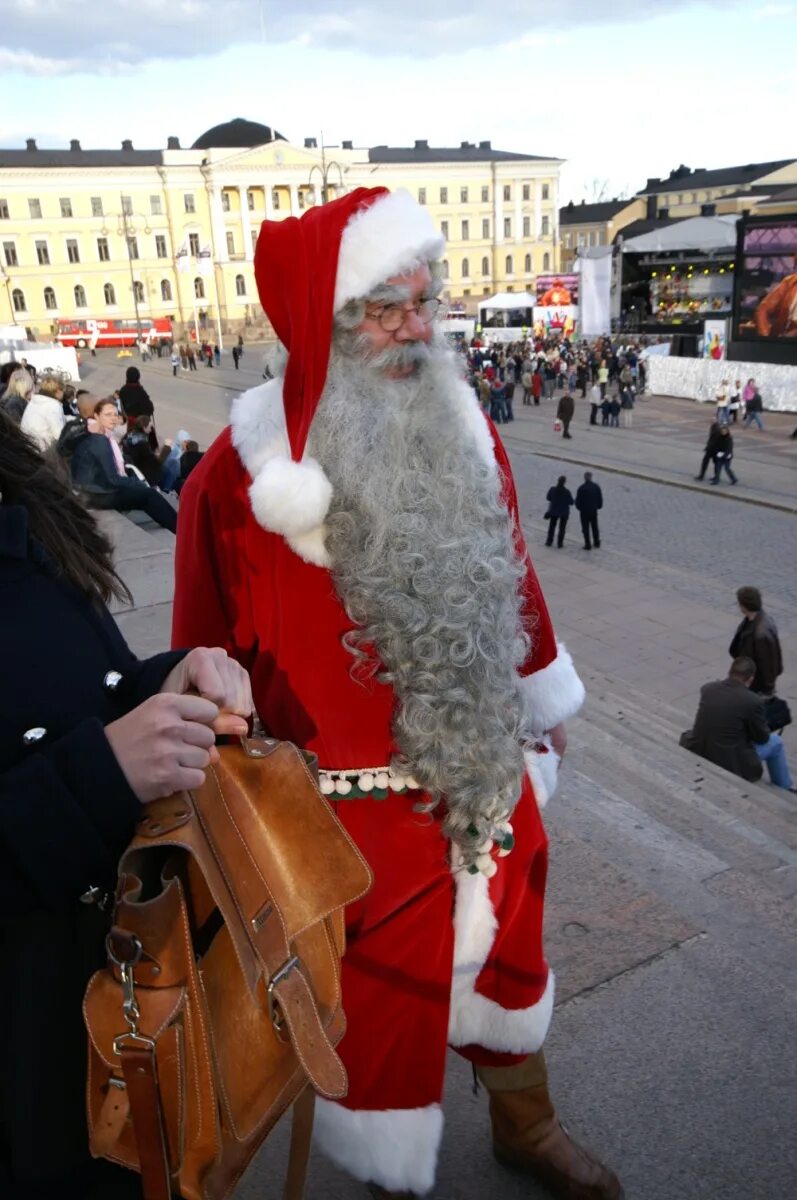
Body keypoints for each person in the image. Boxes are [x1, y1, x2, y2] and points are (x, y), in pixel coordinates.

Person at [172, 187, 620, 1200]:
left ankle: (524, 1124)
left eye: (425, 299)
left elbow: (515, 580)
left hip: (485, 782)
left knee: (509, 962)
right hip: (347, 824)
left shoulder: (470, 432)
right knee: (379, 1014)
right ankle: (390, 1173)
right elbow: (197, 653)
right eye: (385, 307)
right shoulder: (232, 490)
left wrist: (542, 715)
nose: (417, 327)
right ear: (320, 328)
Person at [0, 408, 253, 1199]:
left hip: (124, 995)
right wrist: (98, 775)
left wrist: (166, 682)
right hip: (26, 1058)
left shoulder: (20, 485)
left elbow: (74, 686)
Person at [680, 658, 794, 791]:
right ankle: (784, 786)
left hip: (700, 748)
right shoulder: (753, 702)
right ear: (750, 679)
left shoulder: (708, 688)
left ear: (730, 672)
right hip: (730, 761)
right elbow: (762, 738)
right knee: (776, 742)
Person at [69, 400, 179, 533]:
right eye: (108, 414)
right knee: (149, 495)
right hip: (96, 494)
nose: (113, 418)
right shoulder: (99, 440)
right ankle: (180, 529)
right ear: (96, 416)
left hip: (89, 490)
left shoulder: (89, 432)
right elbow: (113, 479)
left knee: (147, 494)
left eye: (115, 414)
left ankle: (176, 524)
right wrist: (137, 483)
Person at [729, 586, 783, 698]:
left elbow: (768, 665)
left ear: (744, 606)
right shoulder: (751, 620)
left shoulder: (760, 634)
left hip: (757, 686)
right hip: (748, 678)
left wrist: (766, 691)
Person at [124, 415, 178, 491]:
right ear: (144, 427)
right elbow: (158, 462)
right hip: (147, 473)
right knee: (172, 465)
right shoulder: (142, 443)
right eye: (149, 427)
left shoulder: (130, 436)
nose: (151, 429)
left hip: (139, 468)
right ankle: (166, 490)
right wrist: (167, 446)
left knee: (171, 464)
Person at [20, 376, 66, 452]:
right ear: (58, 391)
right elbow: (59, 434)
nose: (63, 394)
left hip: (27, 444)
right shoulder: (53, 405)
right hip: (41, 450)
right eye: (63, 390)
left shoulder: (35, 400)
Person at [575, 471, 603, 550]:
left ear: (584, 478)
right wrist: (599, 506)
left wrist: (579, 508)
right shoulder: (596, 487)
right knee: (595, 526)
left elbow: (578, 501)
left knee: (585, 528)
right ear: (591, 477)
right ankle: (596, 542)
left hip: (584, 511)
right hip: (593, 510)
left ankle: (588, 544)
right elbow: (600, 498)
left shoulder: (581, 488)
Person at [545, 474, 574, 547]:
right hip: (564, 513)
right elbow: (571, 502)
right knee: (562, 528)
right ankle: (560, 543)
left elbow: (548, 498)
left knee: (552, 527)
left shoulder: (552, 489)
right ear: (564, 482)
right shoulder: (567, 492)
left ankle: (549, 541)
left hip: (553, 511)